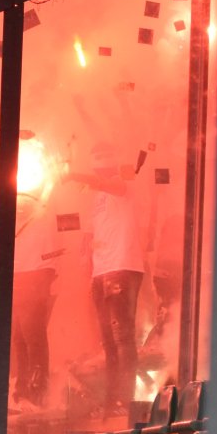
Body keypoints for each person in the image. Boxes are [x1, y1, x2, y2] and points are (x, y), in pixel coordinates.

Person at [66, 144, 147, 409]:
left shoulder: (123, 181)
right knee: (108, 340)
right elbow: (92, 233)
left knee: (122, 336)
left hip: (123, 266)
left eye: (101, 168)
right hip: (102, 271)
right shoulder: (96, 198)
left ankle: (127, 398)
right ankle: (112, 399)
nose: (99, 172)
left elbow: (112, 187)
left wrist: (76, 176)